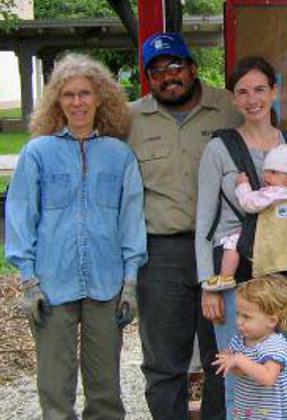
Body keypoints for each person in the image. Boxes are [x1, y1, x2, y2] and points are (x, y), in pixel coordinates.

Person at [5, 53, 147, 419]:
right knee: (54, 387)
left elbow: (131, 220)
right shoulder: (38, 153)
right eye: (68, 95)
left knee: (105, 390)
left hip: (106, 284)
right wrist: (28, 282)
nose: (77, 102)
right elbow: (20, 217)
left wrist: (130, 282)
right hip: (51, 285)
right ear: (57, 101)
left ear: (100, 98)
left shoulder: (120, 156)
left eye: (85, 93)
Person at [128, 32, 243, 420]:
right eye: (156, 71)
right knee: (163, 358)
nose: (168, 76)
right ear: (148, 78)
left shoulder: (229, 108)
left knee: (224, 351)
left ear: (192, 67)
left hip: (221, 248)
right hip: (161, 252)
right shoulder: (130, 120)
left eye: (175, 66)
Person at [195, 55, 287, 420]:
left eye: (260, 89)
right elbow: (205, 220)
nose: (252, 99)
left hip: (283, 277)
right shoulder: (221, 147)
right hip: (234, 276)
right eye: (243, 92)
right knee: (235, 371)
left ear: (274, 91)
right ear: (233, 98)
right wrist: (208, 285)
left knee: (275, 372)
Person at [204, 139, 287, 292]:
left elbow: (249, 203)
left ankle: (225, 276)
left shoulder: (272, 193)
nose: (266, 176)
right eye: (266, 171)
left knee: (233, 240)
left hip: (268, 249)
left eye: (273, 172)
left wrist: (242, 185)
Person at [212, 275, 287, 420]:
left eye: (246, 317)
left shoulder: (274, 345)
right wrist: (228, 361)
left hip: (273, 415)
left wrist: (239, 360)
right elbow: (240, 371)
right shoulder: (240, 341)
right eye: (238, 314)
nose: (239, 321)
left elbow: (268, 377)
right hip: (248, 411)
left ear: (271, 321)